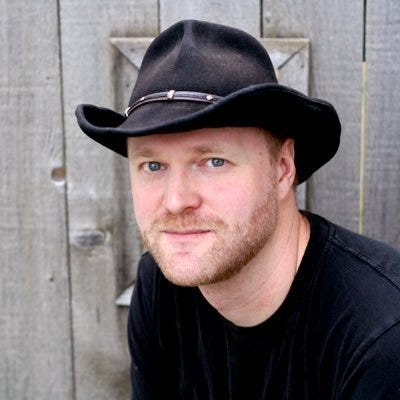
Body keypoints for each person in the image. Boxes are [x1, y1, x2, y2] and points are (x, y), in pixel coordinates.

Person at [76, 20, 400, 400]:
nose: (176, 200)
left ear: (282, 169)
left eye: (214, 162)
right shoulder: (159, 287)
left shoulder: (381, 338)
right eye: (153, 165)